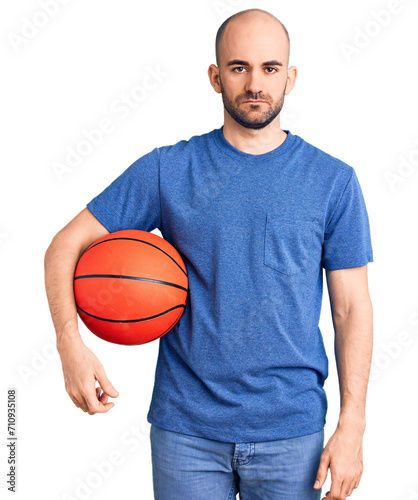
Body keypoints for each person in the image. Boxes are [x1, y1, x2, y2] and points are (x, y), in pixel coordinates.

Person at [44, 8, 374, 500]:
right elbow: (62, 247)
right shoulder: (168, 169)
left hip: (293, 430)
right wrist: (69, 344)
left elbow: (351, 310)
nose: (255, 83)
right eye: (239, 68)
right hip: (186, 432)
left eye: (270, 68)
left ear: (292, 77)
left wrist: (353, 426)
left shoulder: (333, 181)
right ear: (215, 77)